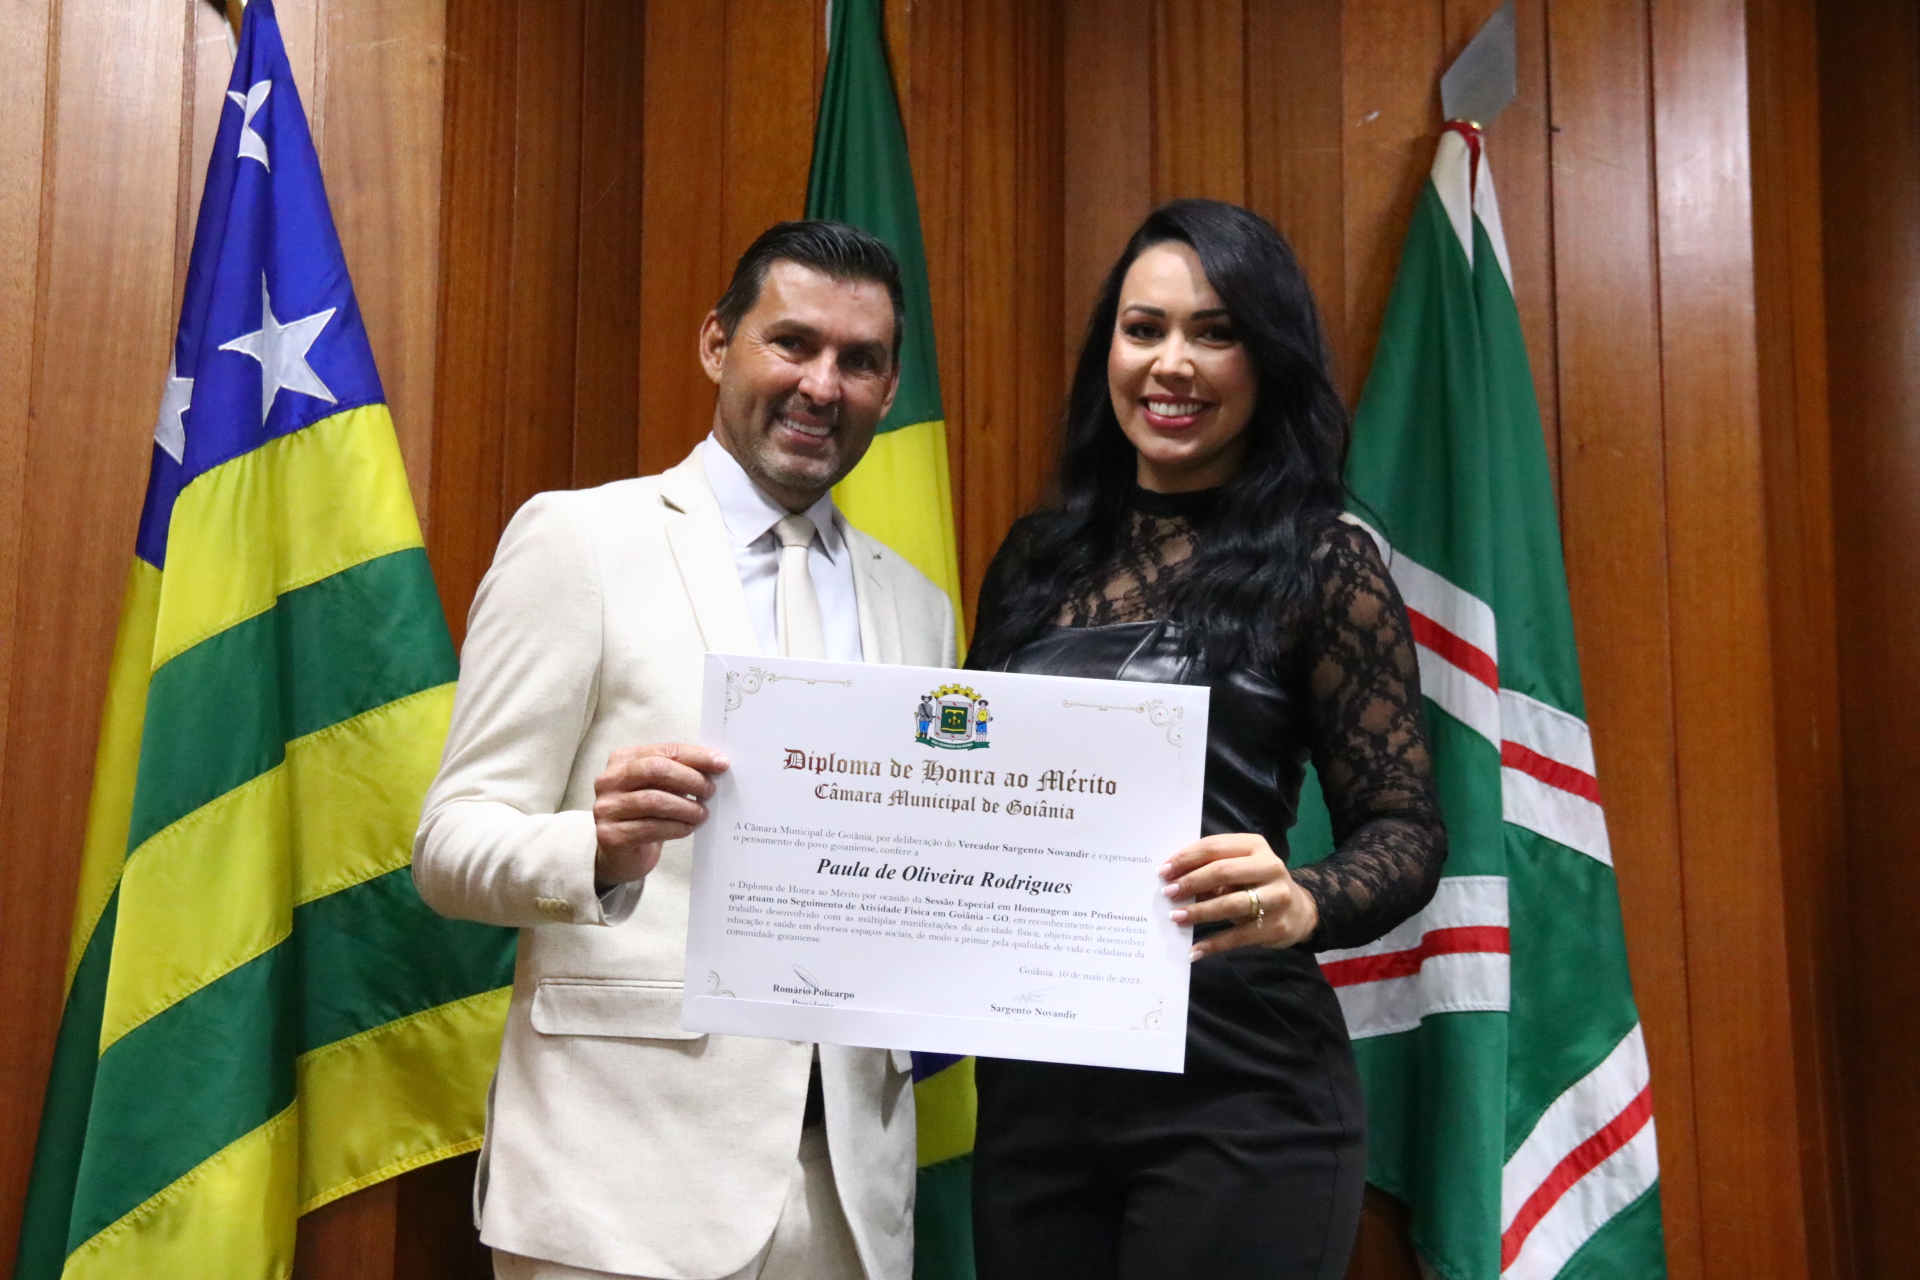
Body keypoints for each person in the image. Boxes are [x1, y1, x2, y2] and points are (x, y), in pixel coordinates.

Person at [414, 221, 955, 1280]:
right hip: (616, 1194)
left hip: (849, 1203)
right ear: (717, 343)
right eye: (791, 342)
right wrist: (598, 849)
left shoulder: (919, 605)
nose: (821, 385)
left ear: (890, 390)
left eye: (859, 360)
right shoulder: (580, 542)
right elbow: (448, 847)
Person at [964, 199, 1448, 1279]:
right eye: (1144, 329)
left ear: (1266, 359)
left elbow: (1407, 828)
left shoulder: (1324, 562)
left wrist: (1306, 898)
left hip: (1240, 1093)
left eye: (1214, 332)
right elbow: (977, 799)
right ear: (1108, 352)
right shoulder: (1035, 560)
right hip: (1038, 1098)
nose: (1170, 363)